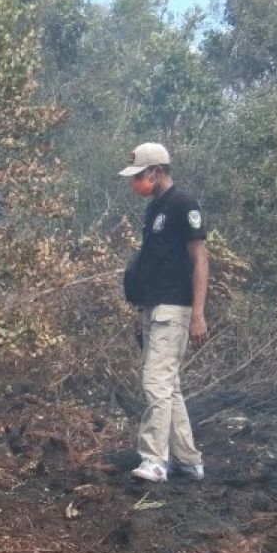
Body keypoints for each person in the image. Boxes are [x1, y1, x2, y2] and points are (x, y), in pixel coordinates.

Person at [119, 142, 208, 483]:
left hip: (175, 306)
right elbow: (151, 264)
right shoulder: (154, 209)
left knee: (155, 381)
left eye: (139, 175)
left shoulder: (184, 205)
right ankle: (188, 459)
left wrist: (197, 313)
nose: (136, 183)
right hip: (153, 306)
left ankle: (155, 459)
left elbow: (200, 260)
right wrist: (140, 309)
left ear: (156, 171)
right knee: (168, 386)